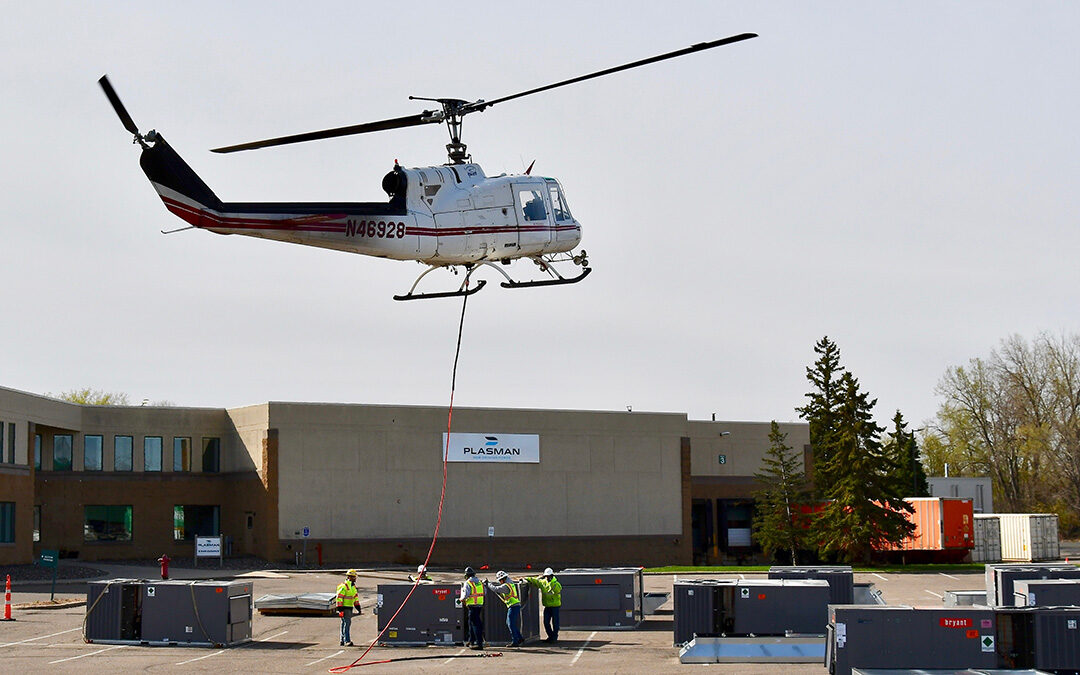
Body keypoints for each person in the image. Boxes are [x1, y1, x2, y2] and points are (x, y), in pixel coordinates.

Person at [486, 570, 523, 647]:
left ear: (503, 579)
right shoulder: (510, 583)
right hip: (514, 606)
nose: (500, 582)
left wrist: (488, 583)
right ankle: (519, 638)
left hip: (513, 606)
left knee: (510, 624)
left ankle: (515, 641)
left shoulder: (506, 586)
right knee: (510, 623)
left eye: (500, 580)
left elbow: (496, 589)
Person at [526, 567, 562, 643]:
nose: (547, 578)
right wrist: (527, 579)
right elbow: (536, 581)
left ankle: (554, 637)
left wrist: (551, 582)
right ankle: (550, 636)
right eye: (546, 576)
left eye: (549, 576)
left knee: (555, 623)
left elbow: (557, 589)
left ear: (552, 576)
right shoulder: (543, 582)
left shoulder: (556, 584)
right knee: (546, 622)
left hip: (555, 606)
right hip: (547, 606)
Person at [460, 566, 485, 649]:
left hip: (472, 606)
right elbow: (485, 592)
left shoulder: (468, 583)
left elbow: (465, 595)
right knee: (471, 623)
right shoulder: (480, 582)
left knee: (475, 624)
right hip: (479, 605)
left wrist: (461, 599)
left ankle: (479, 644)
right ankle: (471, 641)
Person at [335, 569, 361, 646]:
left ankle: (342, 640)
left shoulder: (353, 587)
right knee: (347, 623)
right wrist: (340, 609)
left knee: (344, 623)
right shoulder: (344, 586)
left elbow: (355, 598)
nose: (355, 578)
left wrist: (358, 607)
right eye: (354, 577)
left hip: (349, 607)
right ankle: (347, 640)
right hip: (344, 608)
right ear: (349, 577)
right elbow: (339, 598)